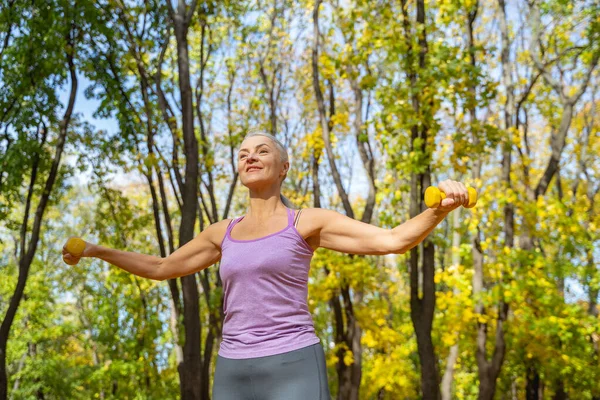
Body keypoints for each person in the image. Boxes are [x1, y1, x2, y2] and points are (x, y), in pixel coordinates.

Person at [62, 131, 471, 400]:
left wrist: (440, 209)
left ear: (283, 167)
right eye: (242, 154)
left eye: (262, 151)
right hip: (233, 369)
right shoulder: (222, 232)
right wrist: (98, 250)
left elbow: (392, 240)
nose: (250, 157)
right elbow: (161, 266)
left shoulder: (307, 222)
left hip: (292, 362)